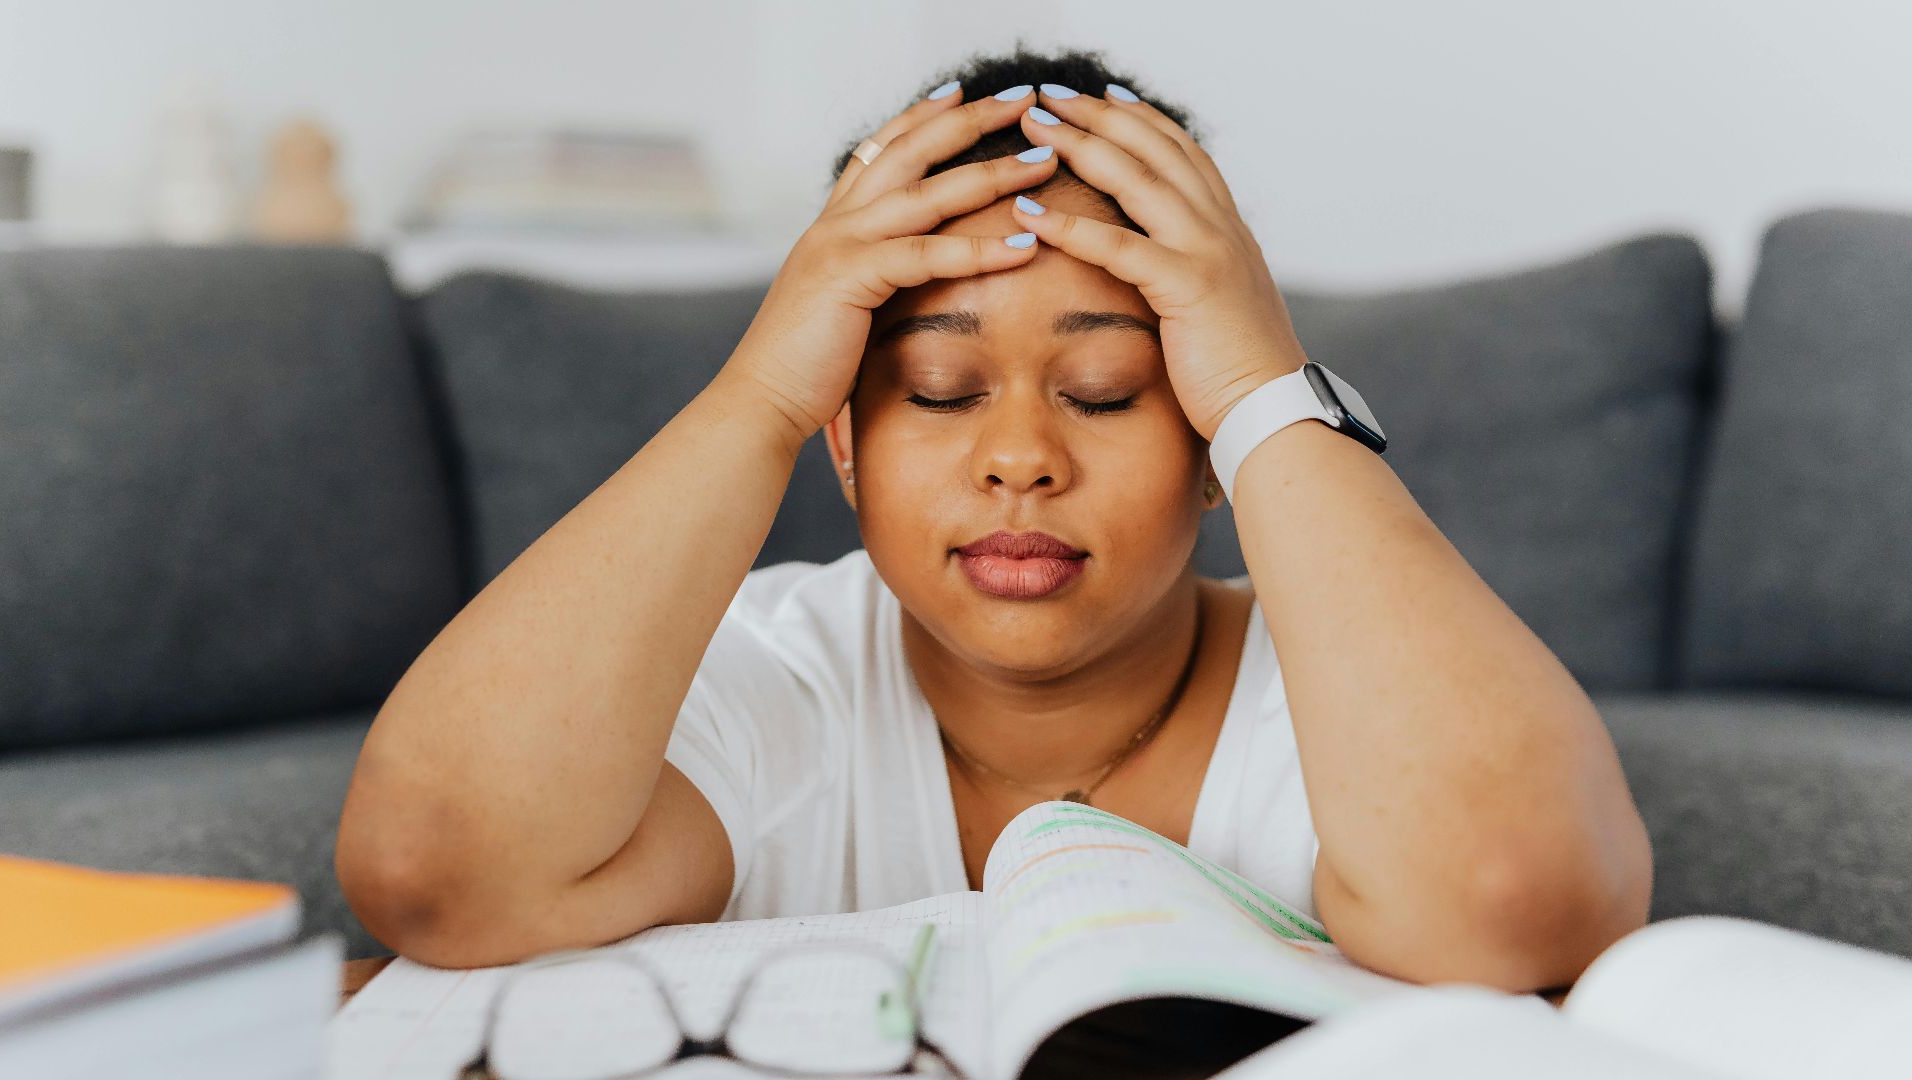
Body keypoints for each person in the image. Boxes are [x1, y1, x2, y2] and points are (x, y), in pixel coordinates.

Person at [335, 46, 1652, 994]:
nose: (1019, 456)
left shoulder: (1341, 694)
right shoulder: (769, 675)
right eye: (939, 388)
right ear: (847, 441)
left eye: (1103, 389)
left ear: (1208, 447)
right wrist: (758, 398)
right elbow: (432, 869)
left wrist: (1263, 390)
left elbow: (1515, 905)